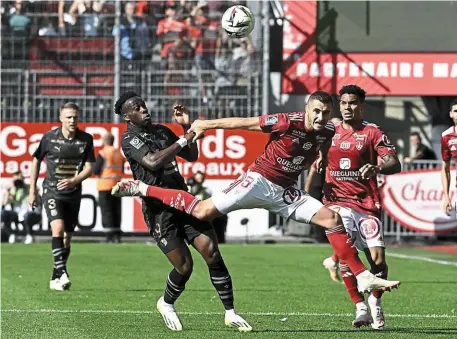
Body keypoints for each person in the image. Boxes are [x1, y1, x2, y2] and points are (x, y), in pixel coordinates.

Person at [112, 91, 401, 296]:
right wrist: (205, 124)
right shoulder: (287, 121)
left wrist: (322, 158)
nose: (320, 117)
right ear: (306, 108)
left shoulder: (327, 130)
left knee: (331, 218)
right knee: (201, 211)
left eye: (326, 113)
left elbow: (323, 142)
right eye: (316, 111)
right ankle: (142, 187)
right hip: (259, 181)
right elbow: (245, 123)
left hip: (286, 191)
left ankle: (363, 277)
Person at [113, 92, 251, 332]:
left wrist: (186, 126)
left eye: (144, 104)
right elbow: (153, 162)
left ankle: (230, 312)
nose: (144, 109)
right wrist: (185, 138)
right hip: (159, 210)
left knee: (212, 252)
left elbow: (191, 155)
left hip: (183, 200)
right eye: (137, 107)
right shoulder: (129, 139)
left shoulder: (162, 131)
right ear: (127, 115)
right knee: (184, 266)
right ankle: (166, 303)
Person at [306, 85, 401, 329]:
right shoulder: (328, 130)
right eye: (344, 103)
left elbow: (394, 162)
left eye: (353, 103)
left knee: (378, 260)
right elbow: (310, 153)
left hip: (366, 203)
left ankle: (375, 304)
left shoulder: (372, 132)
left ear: (362, 106)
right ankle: (359, 307)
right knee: (348, 252)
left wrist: (378, 167)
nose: (348, 107)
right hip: (336, 201)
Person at [28, 102, 95, 291]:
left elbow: (90, 167)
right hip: (52, 190)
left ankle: (56, 275)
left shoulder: (86, 139)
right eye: (68, 117)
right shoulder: (49, 138)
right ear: (61, 119)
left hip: (73, 193)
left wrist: (75, 180)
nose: (72, 120)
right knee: (57, 228)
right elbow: (36, 160)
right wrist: (32, 190)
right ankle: (63, 272)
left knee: (67, 237)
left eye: (75, 117)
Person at [93, 133, 123, 243]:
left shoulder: (103, 153)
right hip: (117, 186)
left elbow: (96, 170)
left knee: (107, 211)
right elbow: (122, 170)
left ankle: (109, 236)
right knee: (116, 211)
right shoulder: (118, 153)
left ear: (105, 141)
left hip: (105, 186)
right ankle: (117, 236)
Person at [1, 171, 41, 244]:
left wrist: (34, 190)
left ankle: (29, 235)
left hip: (30, 212)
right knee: (4, 214)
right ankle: (12, 234)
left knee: (27, 216)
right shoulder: (12, 189)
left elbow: (38, 200)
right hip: (17, 212)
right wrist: (8, 192)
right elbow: (4, 204)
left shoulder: (30, 187)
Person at [441, 98, 457, 216]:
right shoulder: (447, 136)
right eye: (456, 111)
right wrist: (446, 196)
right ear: (451, 114)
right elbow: (445, 169)